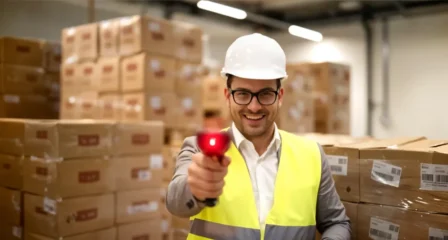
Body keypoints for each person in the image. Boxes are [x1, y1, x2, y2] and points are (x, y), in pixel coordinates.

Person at [166, 33, 351, 240]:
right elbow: (175, 202)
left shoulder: (312, 155)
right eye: (243, 94)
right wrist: (196, 189)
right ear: (228, 96)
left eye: (265, 94)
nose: (254, 107)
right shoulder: (199, 148)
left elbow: (336, 223)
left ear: (279, 96)